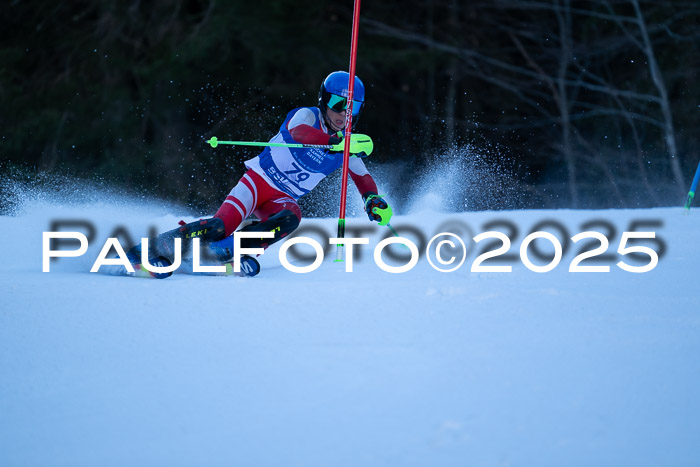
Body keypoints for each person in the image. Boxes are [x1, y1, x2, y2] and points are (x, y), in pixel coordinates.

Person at [128, 71, 391, 274]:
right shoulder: (307, 117)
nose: (343, 114)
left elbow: (362, 178)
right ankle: (150, 249)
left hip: (281, 198)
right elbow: (298, 133)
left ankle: (227, 251)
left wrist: (372, 200)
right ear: (323, 101)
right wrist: (336, 143)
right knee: (220, 226)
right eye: (337, 104)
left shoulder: (348, 148)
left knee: (291, 217)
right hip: (257, 183)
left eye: (351, 108)